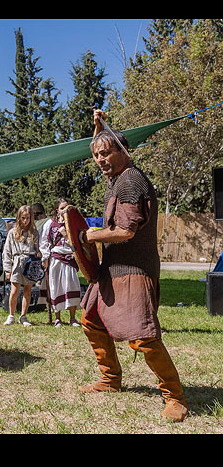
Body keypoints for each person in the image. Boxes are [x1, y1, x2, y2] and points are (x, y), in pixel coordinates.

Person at [77, 109, 188, 422]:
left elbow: (126, 231)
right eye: (96, 155)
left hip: (134, 270)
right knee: (92, 320)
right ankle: (110, 379)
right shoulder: (116, 178)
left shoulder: (130, 182)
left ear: (122, 152)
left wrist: (90, 235)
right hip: (111, 270)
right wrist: (99, 126)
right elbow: (100, 143)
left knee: (143, 336)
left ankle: (174, 396)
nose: (99, 159)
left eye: (105, 153)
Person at [39, 198, 81, 327]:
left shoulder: (74, 223)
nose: (64, 210)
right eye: (62, 208)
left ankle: (73, 318)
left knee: (71, 286)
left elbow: (79, 242)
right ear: (57, 210)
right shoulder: (50, 224)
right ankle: (57, 318)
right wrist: (45, 258)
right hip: (56, 258)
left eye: (67, 207)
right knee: (56, 287)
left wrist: (66, 235)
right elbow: (44, 241)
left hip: (69, 258)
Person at [2, 205, 40, 327]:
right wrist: (7, 269)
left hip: (30, 262)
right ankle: (11, 315)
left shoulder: (34, 233)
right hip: (17, 262)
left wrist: (39, 256)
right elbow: (7, 252)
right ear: (19, 218)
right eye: (23, 218)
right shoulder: (13, 232)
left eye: (28, 218)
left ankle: (23, 316)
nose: (25, 221)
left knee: (27, 291)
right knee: (14, 291)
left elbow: (38, 249)